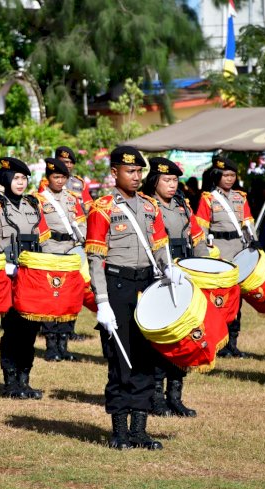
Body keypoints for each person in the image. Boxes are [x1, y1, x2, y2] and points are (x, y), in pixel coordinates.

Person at [85, 146, 181, 450]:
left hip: (148, 285)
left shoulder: (151, 206)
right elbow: (94, 259)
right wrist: (101, 301)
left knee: (145, 357)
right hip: (116, 285)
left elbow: (161, 247)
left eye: (139, 171)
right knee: (120, 360)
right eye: (130, 171)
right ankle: (119, 430)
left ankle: (139, 429)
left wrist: (171, 271)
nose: (136, 176)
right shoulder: (102, 208)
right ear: (115, 173)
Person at [0, 157, 52, 400]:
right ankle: (10, 381)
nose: (20, 183)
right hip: (8, 278)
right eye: (16, 178)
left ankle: (25, 379)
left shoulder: (33, 204)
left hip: (32, 277)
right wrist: (4, 265)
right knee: (12, 329)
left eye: (23, 178)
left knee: (31, 328)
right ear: (7, 180)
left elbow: (45, 240)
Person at [140, 157, 208, 418]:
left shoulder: (183, 204)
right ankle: (156, 396)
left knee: (183, 334)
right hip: (160, 274)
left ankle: (175, 396)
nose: (172, 185)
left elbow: (198, 237)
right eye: (166, 180)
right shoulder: (147, 205)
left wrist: (203, 266)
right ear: (154, 181)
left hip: (185, 273)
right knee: (162, 338)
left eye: (174, 180)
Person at [195, 156, 255, 358]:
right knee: (220, 300)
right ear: (217, 176)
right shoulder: (208, 198)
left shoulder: (241, 197)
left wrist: (253, 241)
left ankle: (233, 343)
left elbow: (248, 223)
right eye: (225, 175)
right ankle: (219, 344)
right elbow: (201, 229)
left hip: (239, 251)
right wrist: (206, 254)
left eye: (232, 175)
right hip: (219, 252)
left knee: (237, 301)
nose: (229, 179)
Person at [35, 157, 87, 362]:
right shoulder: (38, 199)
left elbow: (81, 222)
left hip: (71, 250)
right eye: (56, 177)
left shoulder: (72, 198)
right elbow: (37, 226)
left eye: (63, 177)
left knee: (68, 297)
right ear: (48, 178)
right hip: (49, 249)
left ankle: (64, 343)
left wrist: (82, 241)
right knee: (51, 297)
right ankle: (50, 345)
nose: (59, 181)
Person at [38, 146, 94, 215]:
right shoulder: (46, 183)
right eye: (66, 162)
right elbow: (42, 207)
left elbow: (89, 207)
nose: (69, 165)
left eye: (71, 162)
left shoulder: (80, 183)